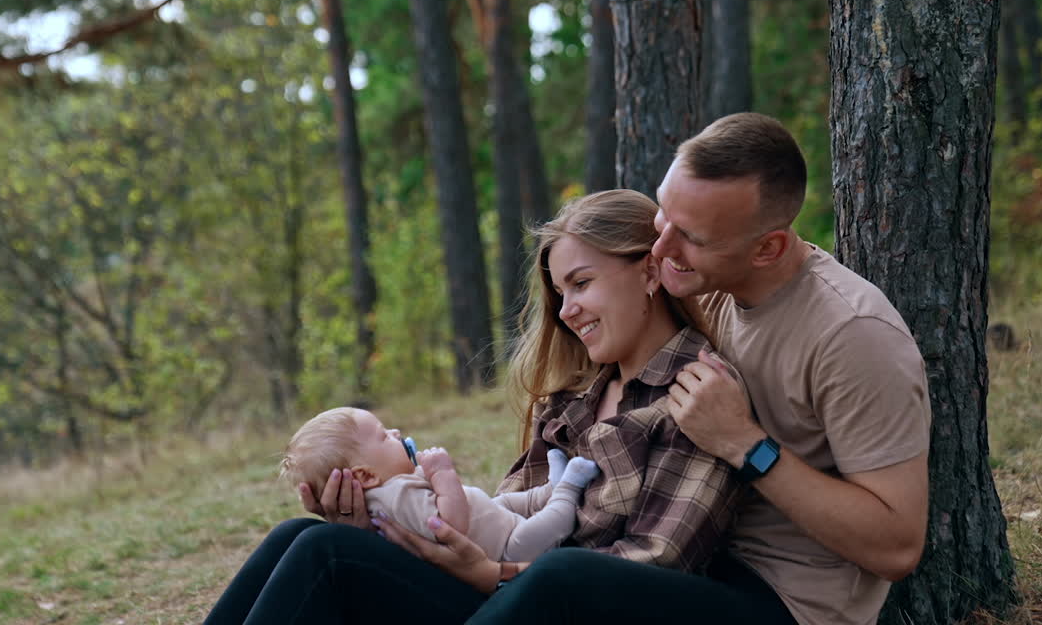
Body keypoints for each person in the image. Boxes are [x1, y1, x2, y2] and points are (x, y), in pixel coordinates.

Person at [438, 113, 930, 625]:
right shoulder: (701, 285)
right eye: (663, 216)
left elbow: (896, 549)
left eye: (690, 236)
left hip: (779, 600)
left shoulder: (852, 334)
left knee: (562, 580)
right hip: (684, 562)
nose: (661, 248)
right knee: (347, 557)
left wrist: (746, 446)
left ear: (769, 248)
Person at [203, 189, 747, 625]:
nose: (568, 311)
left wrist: (496, 572)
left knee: (328, 555)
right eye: (559, 294)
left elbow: (659, 559)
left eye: (582, 283)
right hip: (503, 586)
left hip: (568, 605)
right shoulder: (573, 397)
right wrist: (388, 520)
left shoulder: (695, 392)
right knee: (304, 537)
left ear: (650, 272)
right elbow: (503, 511)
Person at [279, 406, 600, 562]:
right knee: (553, 521)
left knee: (503, 503)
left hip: (490, 523)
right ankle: (568, 490)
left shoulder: (392, 490)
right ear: (365, 476)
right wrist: (443, 474)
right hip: (507, 551)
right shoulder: (395, 496)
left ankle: (550, 488)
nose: (396, 434)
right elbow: (450, 525)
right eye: (383, 435)